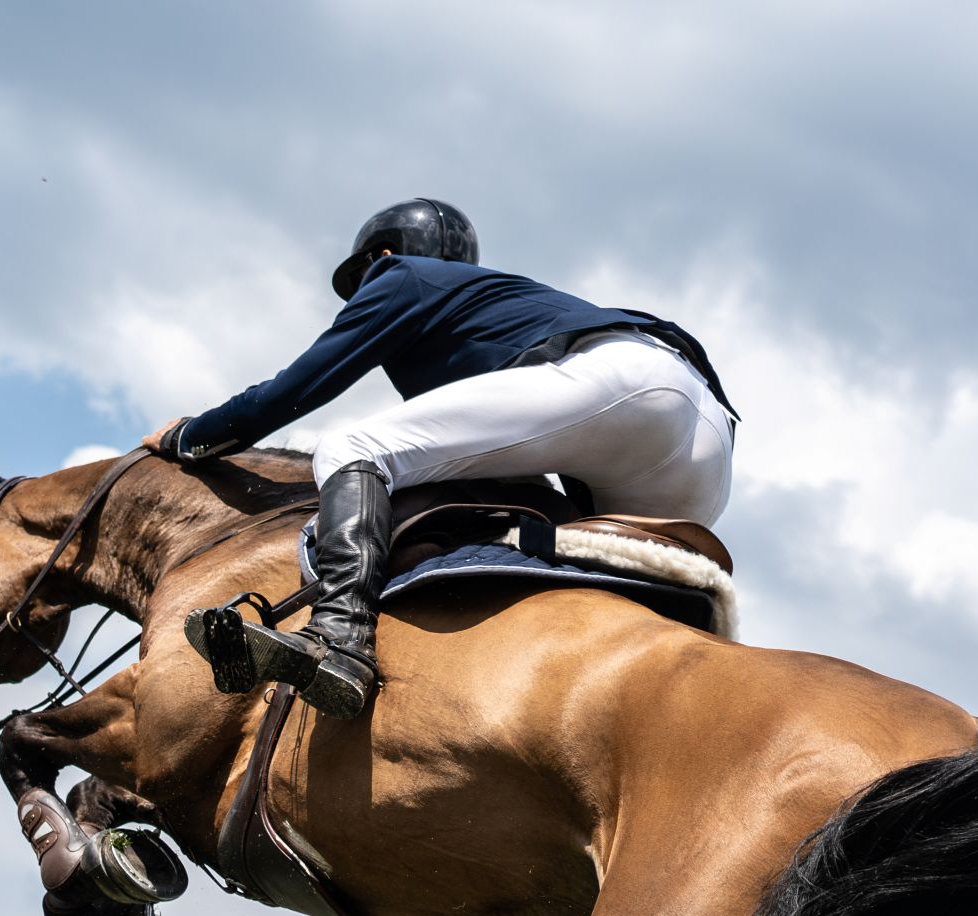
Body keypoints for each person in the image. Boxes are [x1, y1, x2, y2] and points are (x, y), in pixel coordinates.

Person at [142, 198, 739, 720]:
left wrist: (190, 435)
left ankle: (340, 638)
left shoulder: (401, 275)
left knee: (352, 448)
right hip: (705, 441)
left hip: (624, 386)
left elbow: (291, 393)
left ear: (382, 254)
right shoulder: (495, 303)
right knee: (593, 581)